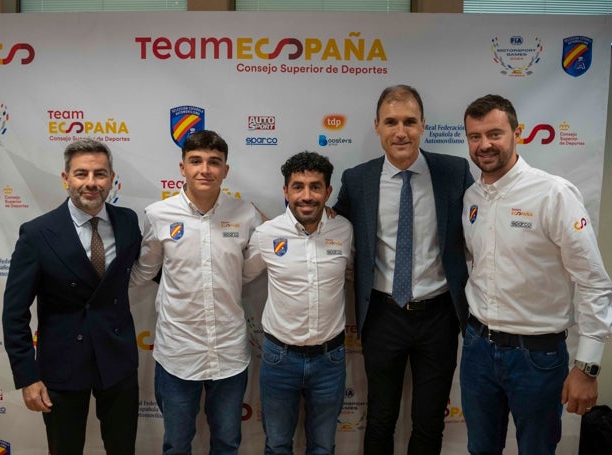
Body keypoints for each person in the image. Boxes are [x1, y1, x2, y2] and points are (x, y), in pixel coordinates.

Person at [460, 94, 612, 454]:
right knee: (480, 449)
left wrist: (587, 366)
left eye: (495, 133)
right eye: (474, 136)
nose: (484, 145)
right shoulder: (471, 198)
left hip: (537, 358)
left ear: (518, 133)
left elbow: (593, 281)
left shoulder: (553, 194)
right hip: (478, 350)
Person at [333, 84, 474, 454]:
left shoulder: (454, 172)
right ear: (376, 126)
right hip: (382, 316)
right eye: (391, 122)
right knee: (380, 418)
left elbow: (484, 229)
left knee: (429, 422)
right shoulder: (357, 179)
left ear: (423, 125)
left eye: (410, 121)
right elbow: (331, 231)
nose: (401, 132)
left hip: (440, 316)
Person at [2, 139, 142, 455]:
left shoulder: (128, 221)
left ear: (112, 178)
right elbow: (14, 313)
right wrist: (27, 377)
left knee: (123, 449)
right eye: (81, 174)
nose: (91, 183)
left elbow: (154, 268)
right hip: (61, 364)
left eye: (100, 174)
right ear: (66, 179)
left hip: (117, 361)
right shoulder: (37, 234)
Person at [129, 130, 262, 454]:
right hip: (178, 353)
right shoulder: (159, 215)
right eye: (196, 161)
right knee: (176, 445)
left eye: (214, 162)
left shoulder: (245, 214)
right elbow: (144, 272)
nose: (205, 169)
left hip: (228, 353)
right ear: (182, 167)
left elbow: (249, 270)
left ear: (225, 170)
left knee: (228, 444)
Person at [243, 151, 353, 454]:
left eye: (315, 187)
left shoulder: (344, 230)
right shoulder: (267, 234)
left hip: (330, 360)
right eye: (298, 186)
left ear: (328, 192)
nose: (307, 196)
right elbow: (239, 276)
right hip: (280, 359)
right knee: (277, 445)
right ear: (286, 191)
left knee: (322, 446)